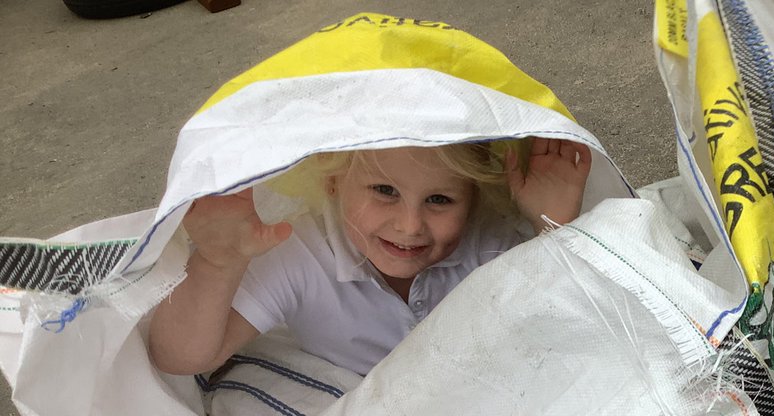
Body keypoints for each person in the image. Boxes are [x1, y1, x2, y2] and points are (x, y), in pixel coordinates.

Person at [148, 137, 592, 376]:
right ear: (333, 182)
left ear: (475, 199)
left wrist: (553, 226)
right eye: (384, 191)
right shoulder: (299, 252)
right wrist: (219, 259)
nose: (409, 225)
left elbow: (575, 325)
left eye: (439, 200)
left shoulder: (489, 242)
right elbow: (181, 359)